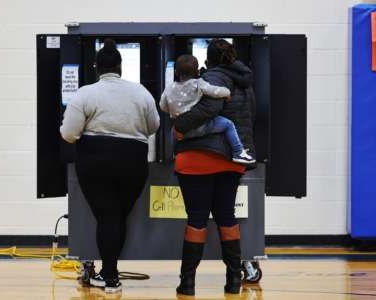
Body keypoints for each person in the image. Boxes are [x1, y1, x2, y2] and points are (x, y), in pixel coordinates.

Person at [60, 39, 160, 294]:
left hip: (95, 160)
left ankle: (110, 276)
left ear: (96, 67)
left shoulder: (85, 93)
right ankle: (109, 273)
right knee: (117, 216)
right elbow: (154, 126)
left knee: (107, 217)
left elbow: (69, 134)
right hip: (133, 161)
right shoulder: (140, 92)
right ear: (120, 67)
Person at [173, 39, 256, 296]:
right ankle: (233, 281)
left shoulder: (214, 78)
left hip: (200, 157)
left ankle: (188, 283)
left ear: (207, 61)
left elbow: (210, 106)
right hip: (231, 161)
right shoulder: (246, 82)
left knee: (197, 218)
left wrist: (179, 127)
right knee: (226, 216)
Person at [159, 55, 255, 165]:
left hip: (182, 132)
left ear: (176, 72)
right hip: (201, 127)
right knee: (228, 124)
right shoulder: (198, 83)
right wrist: (227, 93)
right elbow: (214, 91)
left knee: (173, 131)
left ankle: (175, 155)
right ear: (198, 71)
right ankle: (238, 152)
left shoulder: (169, 88)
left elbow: (162, 106)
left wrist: (174, 111)